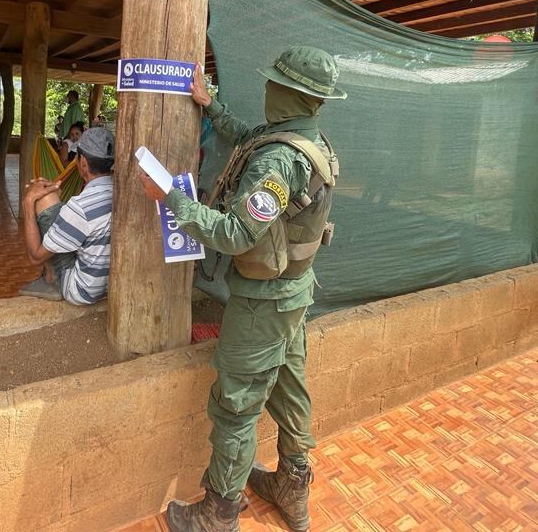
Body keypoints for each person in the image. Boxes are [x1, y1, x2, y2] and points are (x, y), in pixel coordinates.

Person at [138, 47, 345, 532]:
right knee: (290, 390)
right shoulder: (304, 140)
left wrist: (169, 199)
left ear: (290, 93)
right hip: (294, 295)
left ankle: (218, 512)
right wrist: (209, 105)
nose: (266, 87)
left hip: (264, 306)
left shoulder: (278, 162)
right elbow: (246, 139)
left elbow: (234, 233)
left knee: (237, 403)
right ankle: (293, 492)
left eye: (274, 82)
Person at [18, 126, 115, 305]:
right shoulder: (119, 190)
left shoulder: (80, 207)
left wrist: (28, 203)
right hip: (110, 284)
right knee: (52, 199)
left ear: (83, 162)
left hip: (82, 290)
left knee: (45, 199)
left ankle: (50, 279)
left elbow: (35, 256)